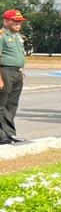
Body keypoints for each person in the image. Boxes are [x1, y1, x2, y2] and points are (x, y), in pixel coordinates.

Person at [0, 9, 28, 145]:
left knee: (12, 105)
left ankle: (9, 133)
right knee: (1, 104)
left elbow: (19, 55)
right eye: (15, 21)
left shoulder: (17, 36)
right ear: (6, 21)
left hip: (17, 72)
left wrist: (21, 70)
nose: (18, 24)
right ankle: (1, 135)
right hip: (5, 71)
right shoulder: (2, 36)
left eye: (20, 22)